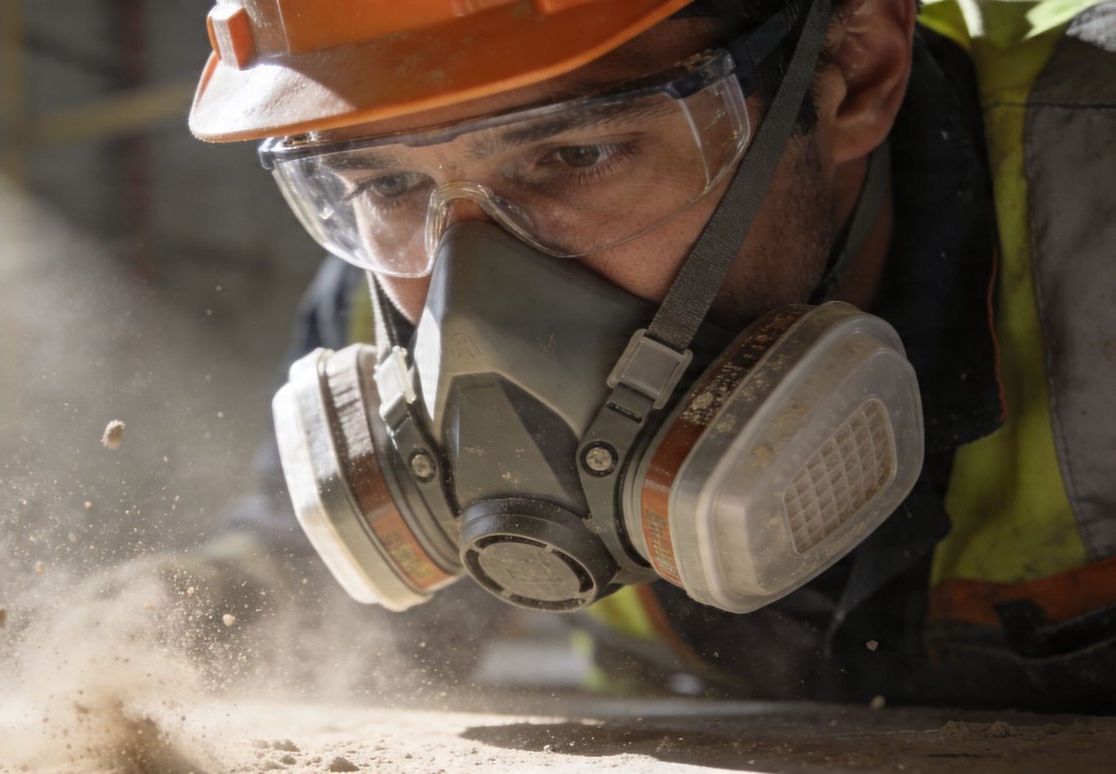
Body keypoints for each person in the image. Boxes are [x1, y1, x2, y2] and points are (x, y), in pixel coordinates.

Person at [176, 0, 1116, 712]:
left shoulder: (1092, 196)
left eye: (578, 157)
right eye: (382, 179)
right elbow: (308, 600)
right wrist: (166, 627)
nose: (467, 309)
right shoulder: (384, 286)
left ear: (853, 72)